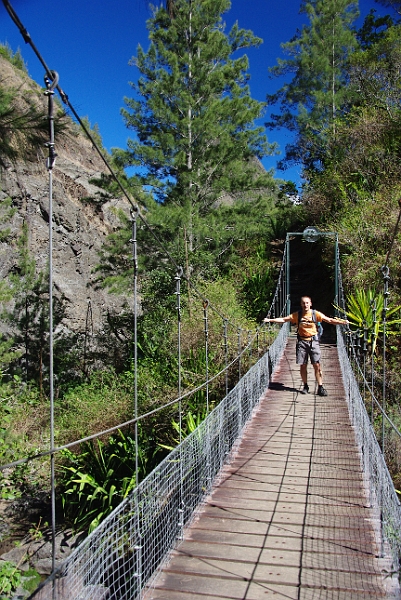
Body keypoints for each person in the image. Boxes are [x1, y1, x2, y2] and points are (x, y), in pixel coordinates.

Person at [263, 295, 349, 396]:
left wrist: (342, 322)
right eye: (303, 303)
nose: (305, 305)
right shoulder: (297, 315)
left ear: (310, 304)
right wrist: (270, 320)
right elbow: (284, 319)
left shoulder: (315, 314)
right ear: (301, 304)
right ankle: (305, 386)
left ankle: (320, 387)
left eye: (307, 303)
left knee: (317, 365)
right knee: (303, 365)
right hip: (302, 342)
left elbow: (329, 320)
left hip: (313, 342)